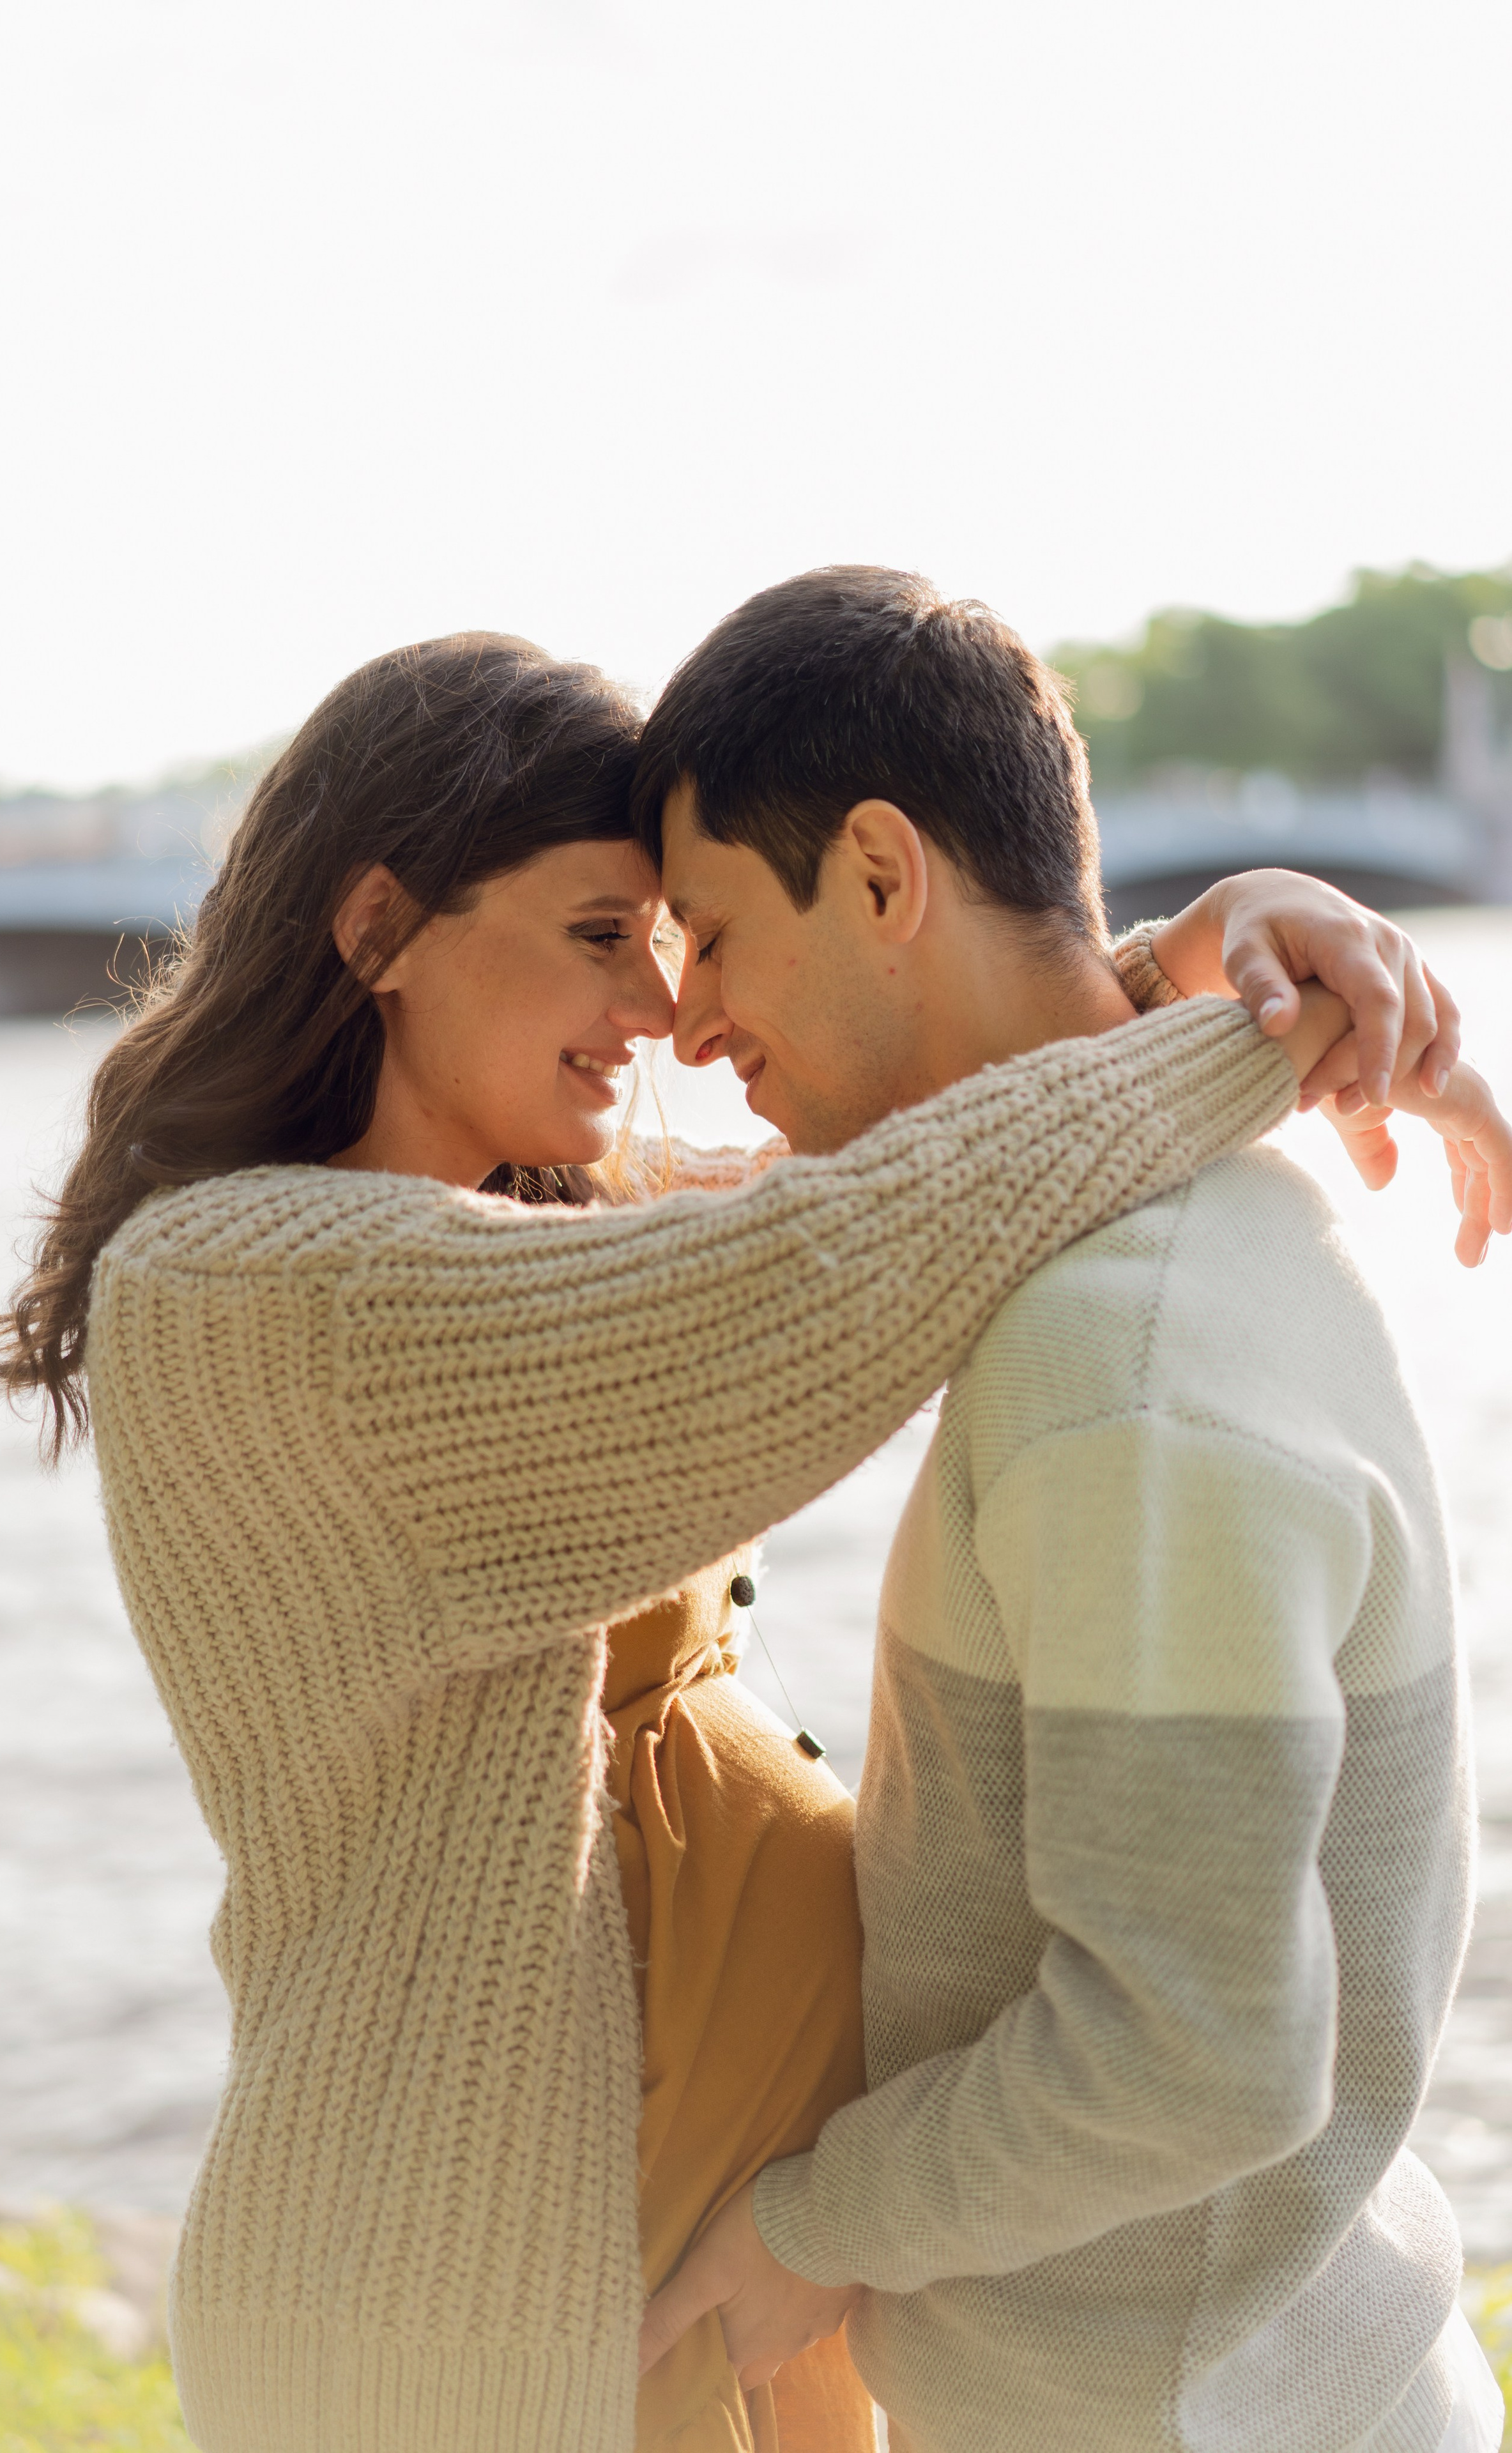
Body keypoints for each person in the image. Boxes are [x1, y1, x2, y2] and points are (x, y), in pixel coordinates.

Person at [0, 632, 1490, 2453]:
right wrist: (1263, 1031)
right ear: (379, 929)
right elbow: (851, 1250)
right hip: (468, 2307)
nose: (661, 1009)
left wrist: (1185, 961)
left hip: (726, 2289)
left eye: (677, 938)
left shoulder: (544, 1237)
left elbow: (905, 1152)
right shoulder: (241, 1294)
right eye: (601, 934)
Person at [630, 568, 1512, 2453]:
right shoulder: (1188, 1208)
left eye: (710, 934)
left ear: (883, 875)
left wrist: (811, 2229)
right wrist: (1188, 970)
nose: (686, 1023)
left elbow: (1196, 2051)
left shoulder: (1122, 1368)